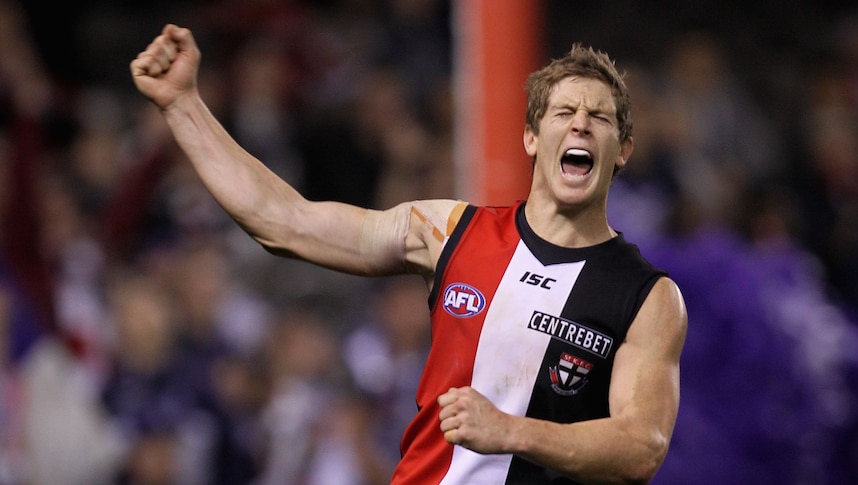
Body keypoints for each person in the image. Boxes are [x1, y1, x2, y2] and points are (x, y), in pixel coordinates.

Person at [130, 24, 688, 485]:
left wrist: (512, 431)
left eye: (601, 117)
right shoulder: (450, 232)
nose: (581, 124)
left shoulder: (649, 297)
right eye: (564, 112)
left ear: (623, 152)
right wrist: (182, 105)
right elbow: (285, 224)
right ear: (531, 138)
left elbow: (641, 447)